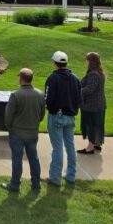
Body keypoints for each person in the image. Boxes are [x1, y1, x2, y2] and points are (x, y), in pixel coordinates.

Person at [1, 68, 46, 192]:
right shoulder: (40, 94)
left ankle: (15, 185)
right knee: (33, 157)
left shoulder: (15, 95)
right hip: (32, 132)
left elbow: (8, 115)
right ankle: (36, 184)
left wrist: (9, 127)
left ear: (21, 79)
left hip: (17, 133)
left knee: (17, 158)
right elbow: (42, 115)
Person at [44, 51, 82, 187]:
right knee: (70, 147)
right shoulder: (76, 79)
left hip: (56, 117)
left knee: (57, 149)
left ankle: (55, 178)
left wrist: (50, 107)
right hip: (71, 117)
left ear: (55, 63)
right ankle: (71, 176)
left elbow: (48, 99)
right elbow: (79, 99)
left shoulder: (52, 78)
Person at [78, 52, 107, 154]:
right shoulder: (99, 73)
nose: (86, 62)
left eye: (87, 60)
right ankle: (95, 144)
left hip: (92, 106)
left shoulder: (93, 74)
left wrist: (77, 91)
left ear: (90, 61)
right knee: (97, 125)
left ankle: (90, 147)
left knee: (91, 125)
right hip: (98, 105)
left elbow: (89, 89)